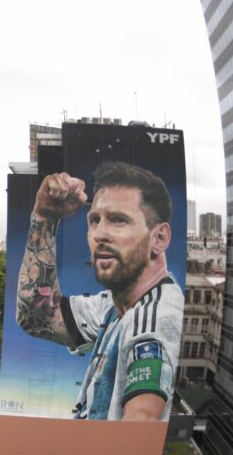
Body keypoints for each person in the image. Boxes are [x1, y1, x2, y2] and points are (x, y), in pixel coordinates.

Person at [16, 162, 183, 422]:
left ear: (159, 238)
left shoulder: (154, 320)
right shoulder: (115, 306)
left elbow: (142, 420)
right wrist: (45, 217)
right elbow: (35, 314)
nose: (100, 234)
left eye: (118, 220)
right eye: (94, 220)